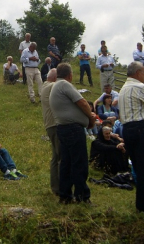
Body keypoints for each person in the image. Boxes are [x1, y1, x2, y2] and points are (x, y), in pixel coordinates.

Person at [50, 63, 96, 204]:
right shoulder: (64, 84)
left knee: (67, 163)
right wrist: (91, 117)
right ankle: (82, 195)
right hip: (73, 129)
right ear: (69, 75)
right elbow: (82, 102)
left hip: (63, 128)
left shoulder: (55, 86)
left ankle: (65, 195)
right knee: (79, 162)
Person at [118, 61, 144, 213]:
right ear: (137, 73)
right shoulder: (140, 87)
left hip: (127, 129)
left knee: (137, 165)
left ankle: (141, 202)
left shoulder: (123, 89)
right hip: (141, 129)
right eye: (143, 72)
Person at [40, 68, 60, 195]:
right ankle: (60, 187)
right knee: (60, 157)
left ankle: (56, 187)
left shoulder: (45, 86)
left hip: (50, 124)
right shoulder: (53, 86)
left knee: (56, 156)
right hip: (55, 124)